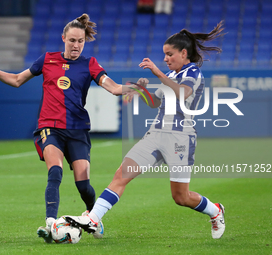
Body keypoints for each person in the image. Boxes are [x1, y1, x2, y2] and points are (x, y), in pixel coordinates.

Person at [0, 14, 137, 243]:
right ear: (63, 38)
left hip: (78, 129)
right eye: (72, 40)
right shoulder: (47, 60)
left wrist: (135, 88)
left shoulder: (89, 64)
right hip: (50, 127)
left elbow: (111, 87)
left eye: (80, 41)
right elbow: (17, 80)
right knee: (55, 171)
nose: (76, 45)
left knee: (84, 185)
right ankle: (50, 224)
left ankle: (93, 217)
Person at [64, 21, 227, 239]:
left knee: (181, 197)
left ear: (184, 53)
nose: (166, 59)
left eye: (169, 54)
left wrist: (158, 72)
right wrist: (139, 89)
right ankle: (93, 219)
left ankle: (215, 211)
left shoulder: (193, 73)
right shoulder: (170, 76)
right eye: (164, 55)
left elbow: (183, 94)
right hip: (156, 134)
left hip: (180, 139)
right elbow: (154, 102)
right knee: (121, 175)